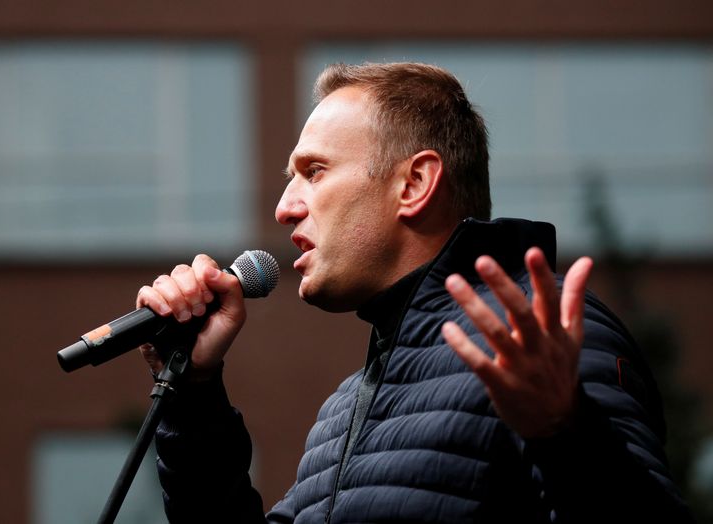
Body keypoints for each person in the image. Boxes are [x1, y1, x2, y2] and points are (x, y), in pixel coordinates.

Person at [135, 62, 693, 523]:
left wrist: (565, 430)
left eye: (314, 171)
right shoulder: (345, 410)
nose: (285, 207)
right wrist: (194, 392)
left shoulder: (539, 337)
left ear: (415, 184)